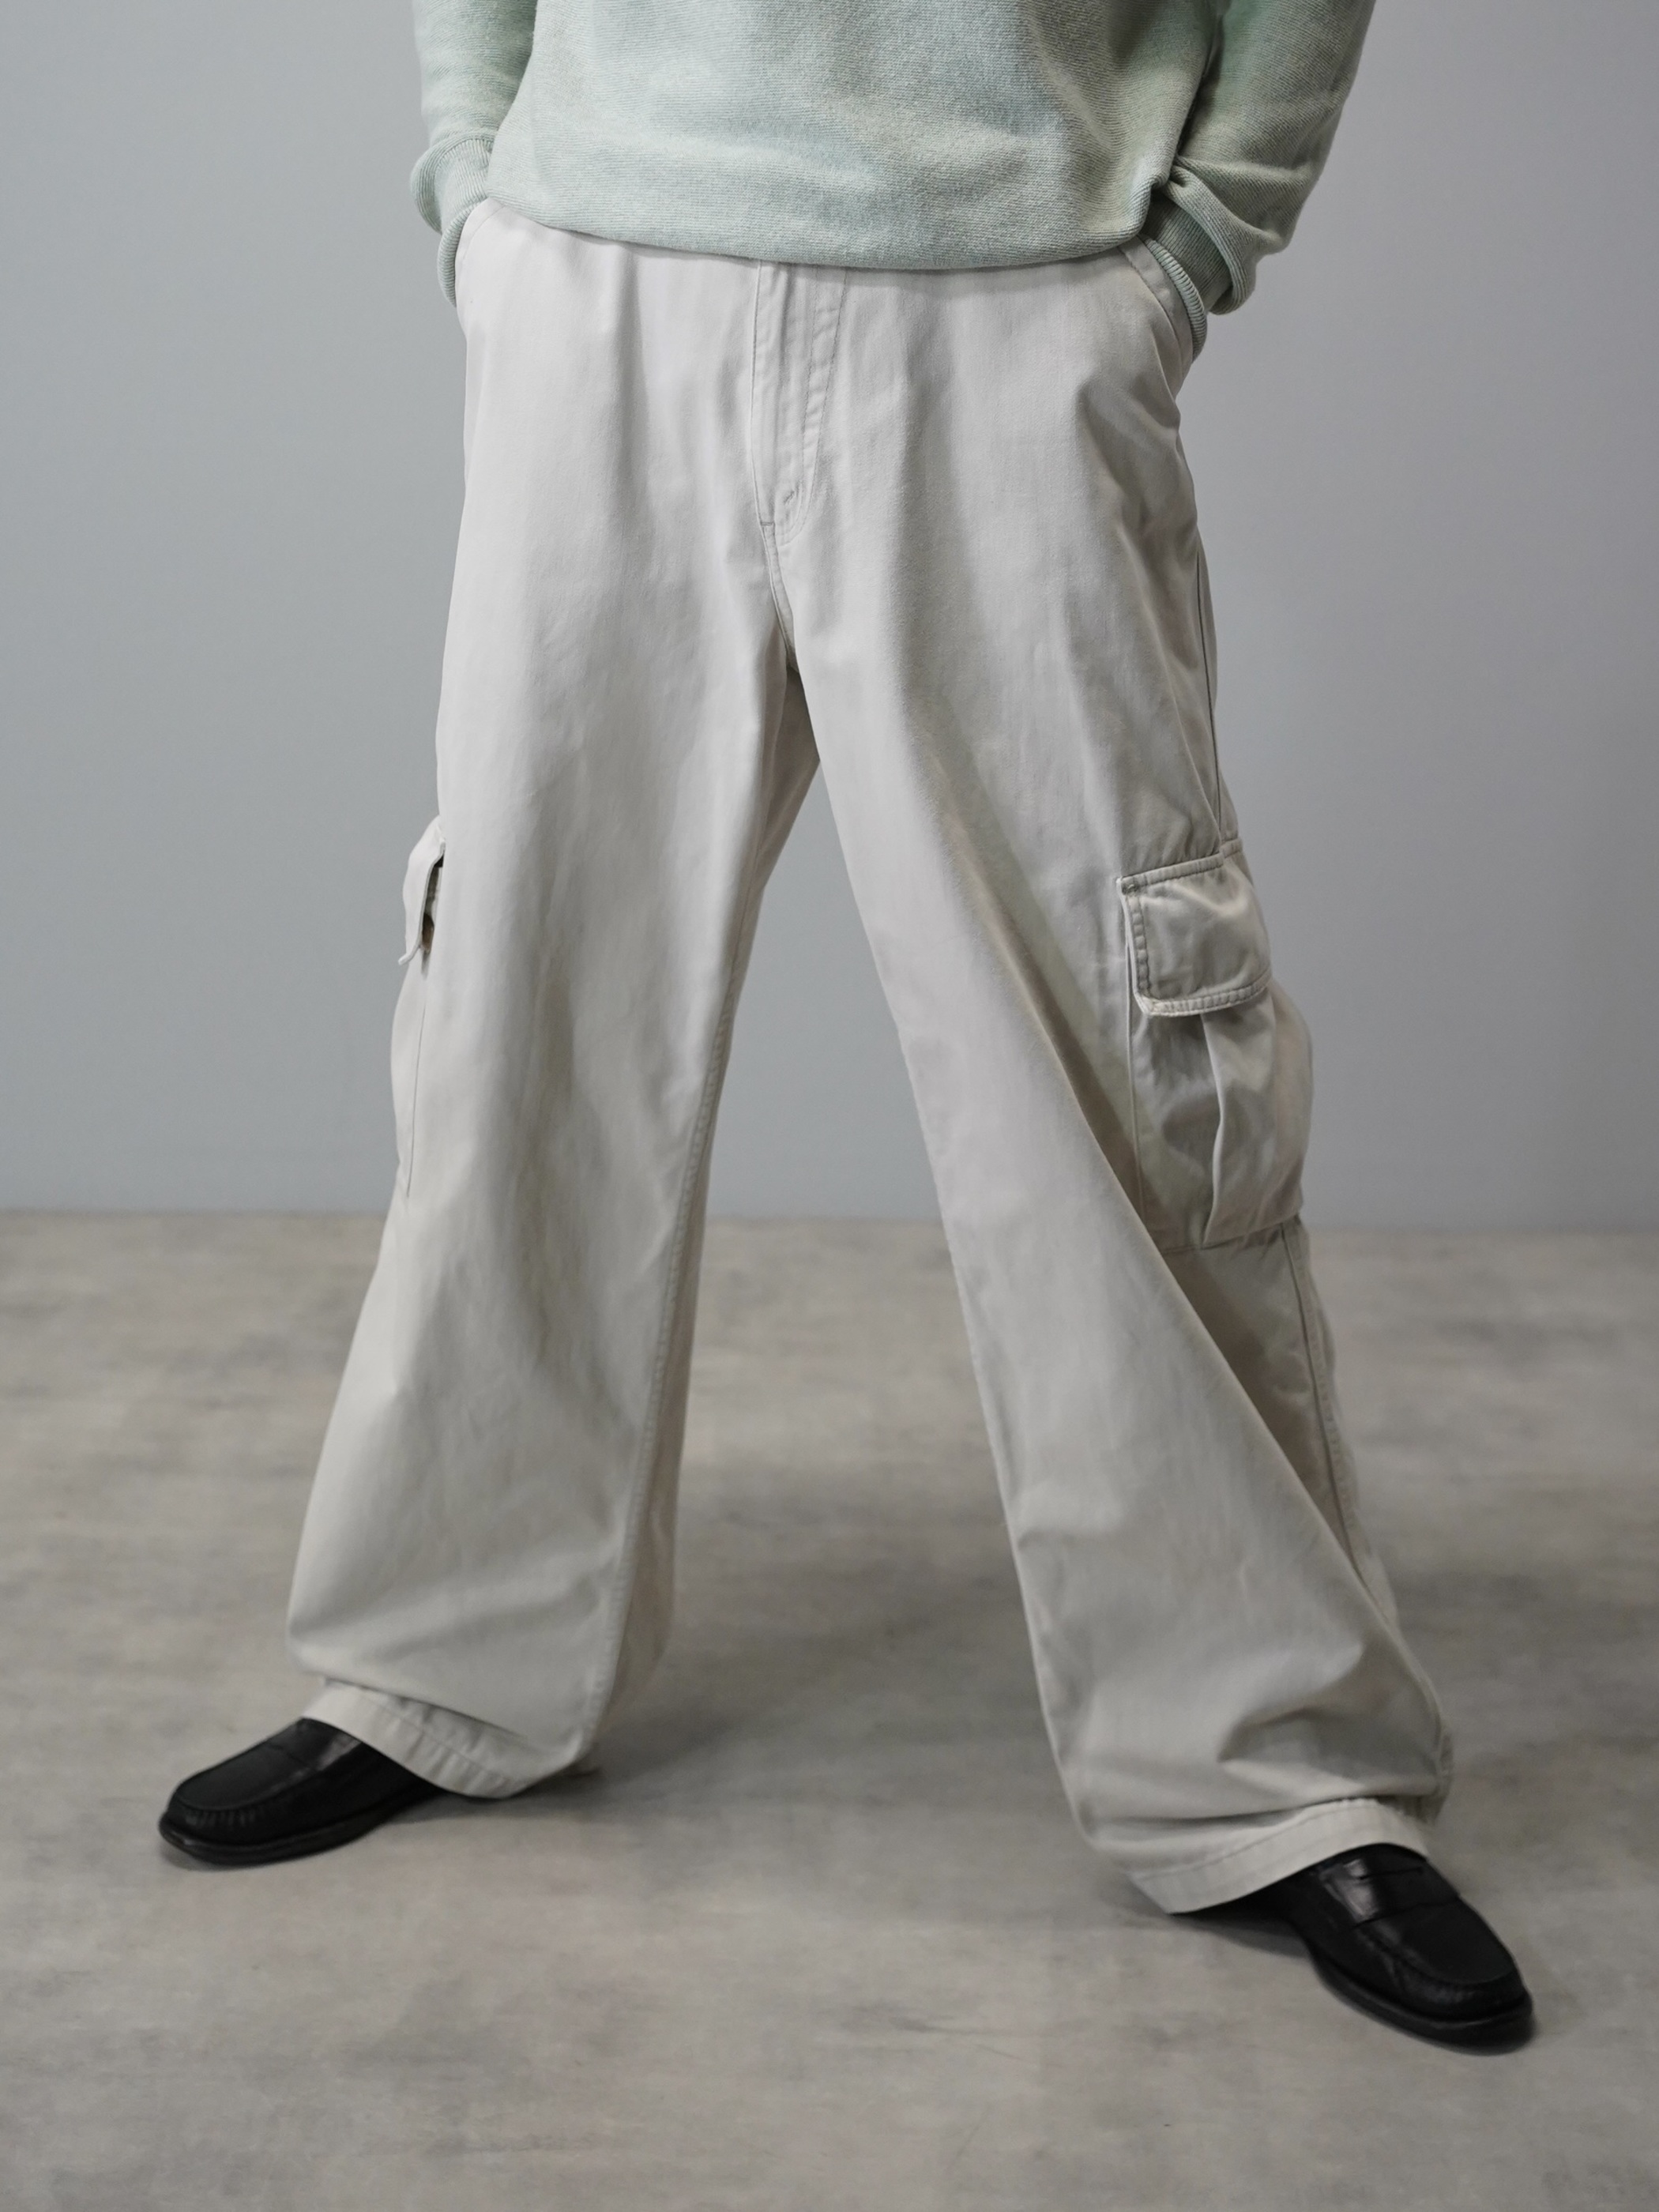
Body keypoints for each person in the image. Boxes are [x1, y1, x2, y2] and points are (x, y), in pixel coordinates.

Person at [160, 0, 1532, 2049]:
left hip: (1013, 295)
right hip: (600, 283)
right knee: (519, 1016)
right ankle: (436, 1662)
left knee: (1122, 1059)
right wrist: (476, 184)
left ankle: (1266, 1767)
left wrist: (1193, 249)